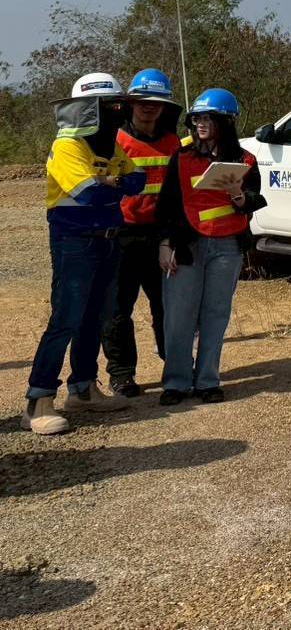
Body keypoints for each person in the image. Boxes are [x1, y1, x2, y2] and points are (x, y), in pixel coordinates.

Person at [23, 73, 145, 435]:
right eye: (111, 107)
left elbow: (138, 181)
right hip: (74, 242)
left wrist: (110, 182)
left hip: (107, 240)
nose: (118, 112)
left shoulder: (109, 145)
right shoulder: (67, 146)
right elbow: (87, 193)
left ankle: (83, 389)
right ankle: (38, 401)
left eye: (119, 105)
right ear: (88, 109)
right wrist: (115, 184)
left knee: (95, 317)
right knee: (66, 318)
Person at [155, 88, 266, 405]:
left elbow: (254, 200)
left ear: (226, 122)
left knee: (216, 314)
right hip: (186, 246)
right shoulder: (181, 158)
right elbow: (167, 206)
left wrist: (238, 196)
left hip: (228, 246)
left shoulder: (245, 160)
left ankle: (207, 381)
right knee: (178, 315)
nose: (201, 124)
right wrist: (165, 244)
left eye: (208, 118)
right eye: (197, 118)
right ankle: (176, 383)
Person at [103, 68, 182, 397]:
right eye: (142, 101)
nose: (149, 107)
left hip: (160, 237)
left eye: (156, 102)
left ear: (165, 106)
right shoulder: (114, 140)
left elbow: (177, 195)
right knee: (117, 310)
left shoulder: (173, 143)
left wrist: (170, 238)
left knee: (167, 307)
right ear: (130, 103)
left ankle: (175, 365)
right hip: (120, 236)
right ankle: (122, 374)